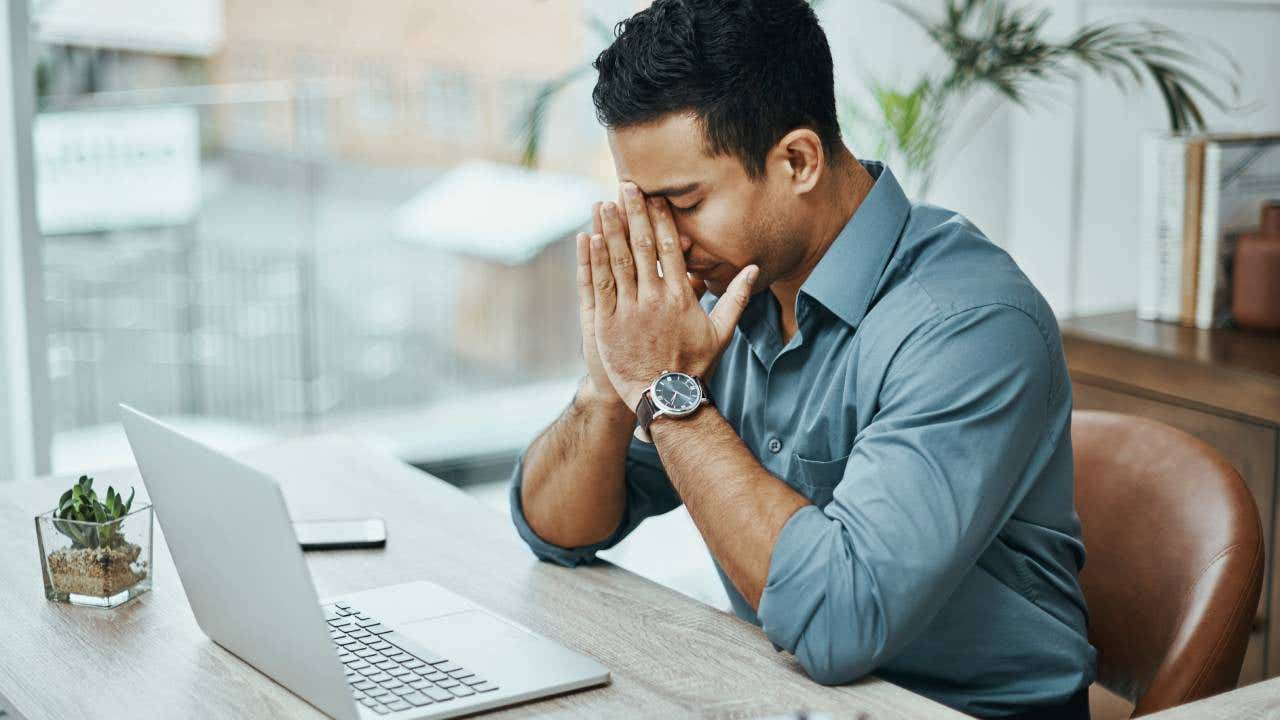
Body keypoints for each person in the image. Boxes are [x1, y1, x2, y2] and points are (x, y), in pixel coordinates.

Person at [508, 1, 1096, 718]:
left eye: (684, 202)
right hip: (783, 693)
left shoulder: (969, 327)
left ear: (798, 160)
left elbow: (838, 624)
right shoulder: (726, 291)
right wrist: (611, 377)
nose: (661, 239)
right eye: (643, 206)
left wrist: (666, 394)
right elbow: (558, 529)